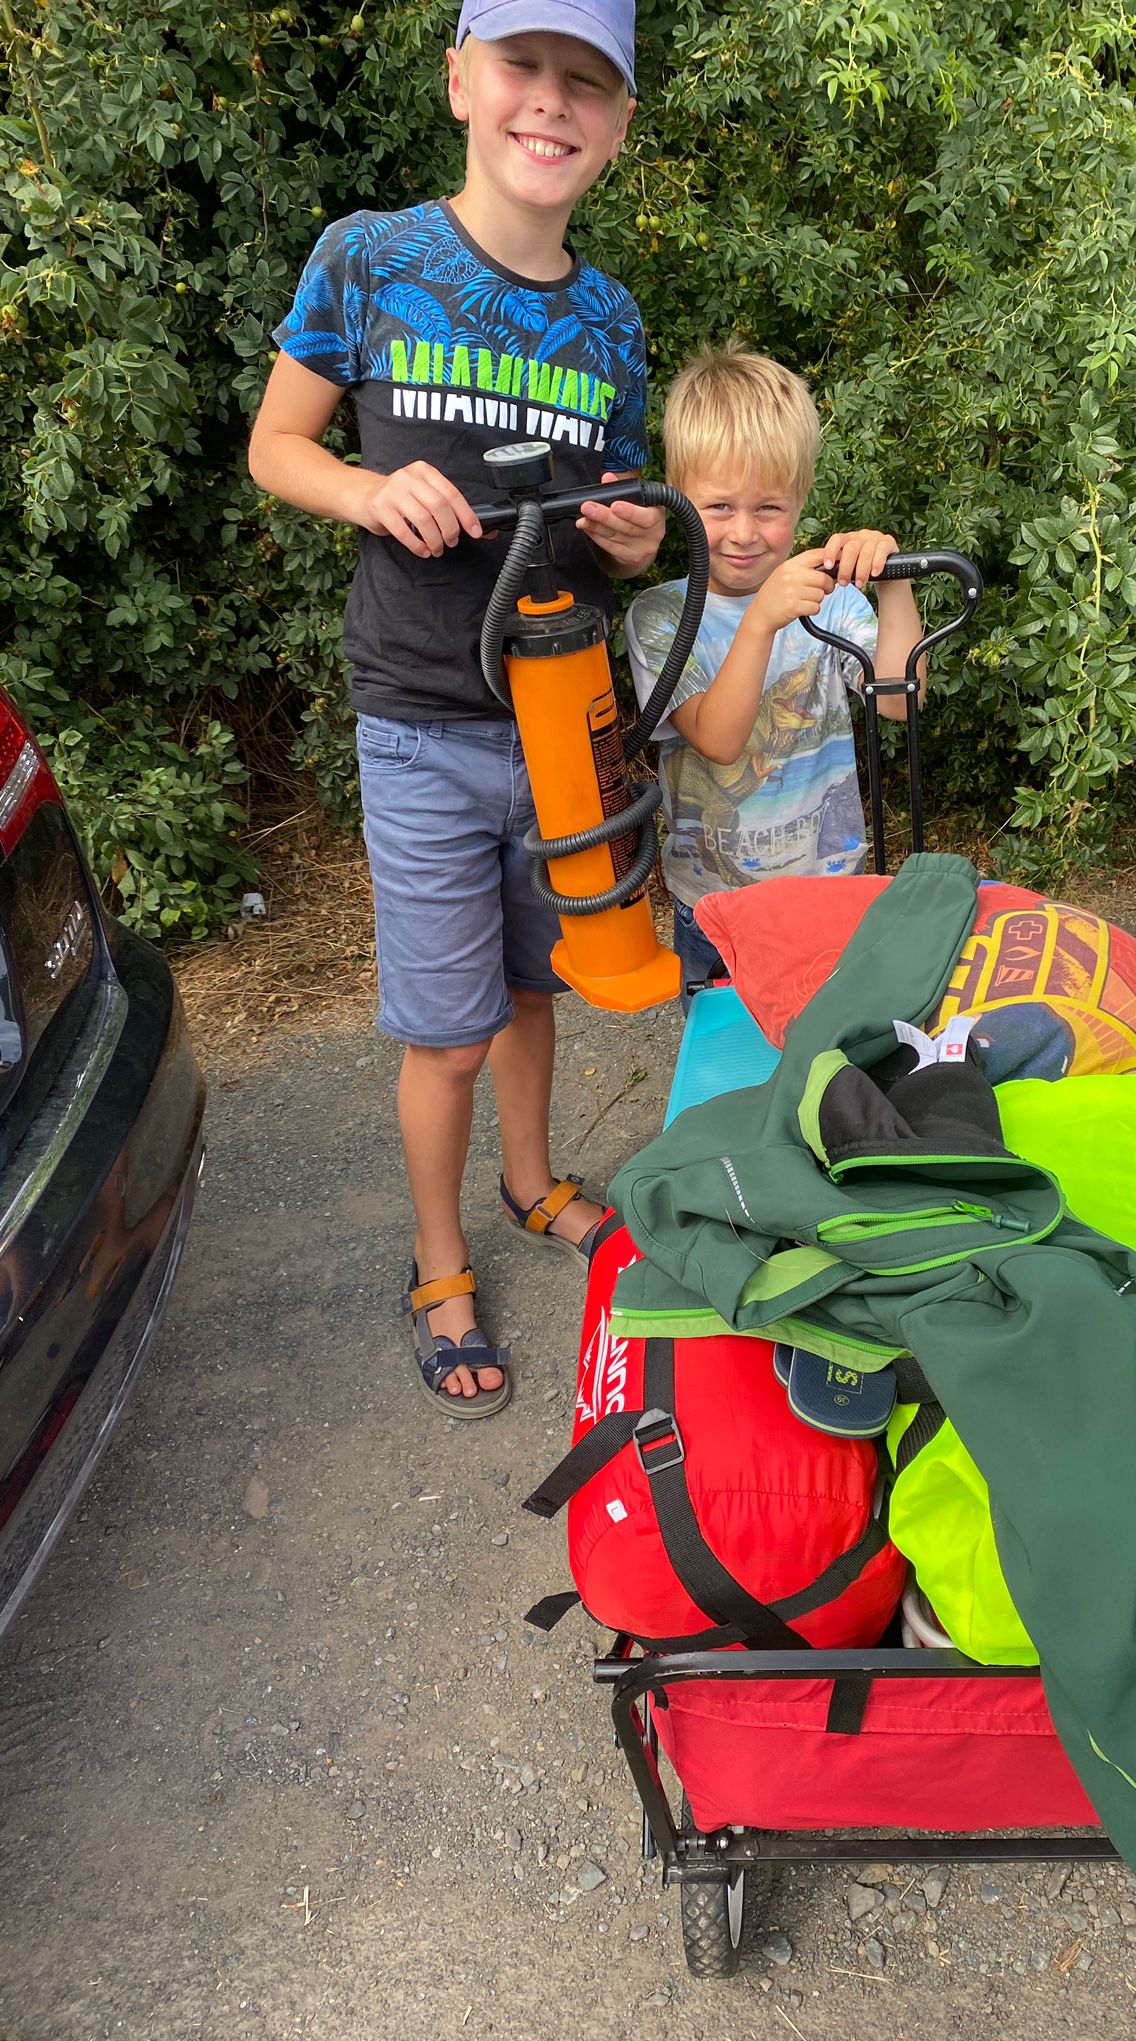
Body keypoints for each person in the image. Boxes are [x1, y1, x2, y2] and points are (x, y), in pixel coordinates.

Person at [247, 0, 663, 1418]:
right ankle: (440, 1263)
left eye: (586, 84)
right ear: (461, 82)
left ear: (614, 123)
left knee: (539, 981)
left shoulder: (610, 321)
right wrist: (371, 491)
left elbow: (628, 517)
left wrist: (634, 541)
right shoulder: (369, 258)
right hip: (420, 719)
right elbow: (276, 446)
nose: (550, 104)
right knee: (448, 1026)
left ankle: (533, 1179)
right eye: (523, 68)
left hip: (563, 714)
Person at [624, 344, 926, 1003]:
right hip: (719, 911)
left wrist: (893, 582)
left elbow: (903, 698)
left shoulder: (830, 597)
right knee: (737, 1076)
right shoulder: (660, 617)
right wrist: (761, 620)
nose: (743, 533)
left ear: (800, 501)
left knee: (835, 1069)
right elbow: (719, 739)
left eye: (768, 508)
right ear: (677, 497)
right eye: (719, 507)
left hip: (834, 896)